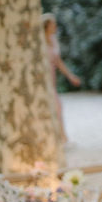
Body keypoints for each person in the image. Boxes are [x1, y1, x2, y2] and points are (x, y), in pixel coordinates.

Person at [43, 12, 81, 143]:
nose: (56, 26)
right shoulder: (39, 42)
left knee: (57, 106)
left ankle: (62, 137)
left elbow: (58, 61)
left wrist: (70, 76)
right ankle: (58, 137)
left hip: (51, 76)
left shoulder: (53, 40)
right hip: (43, 77)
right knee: (54, 105)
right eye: (53, 24)